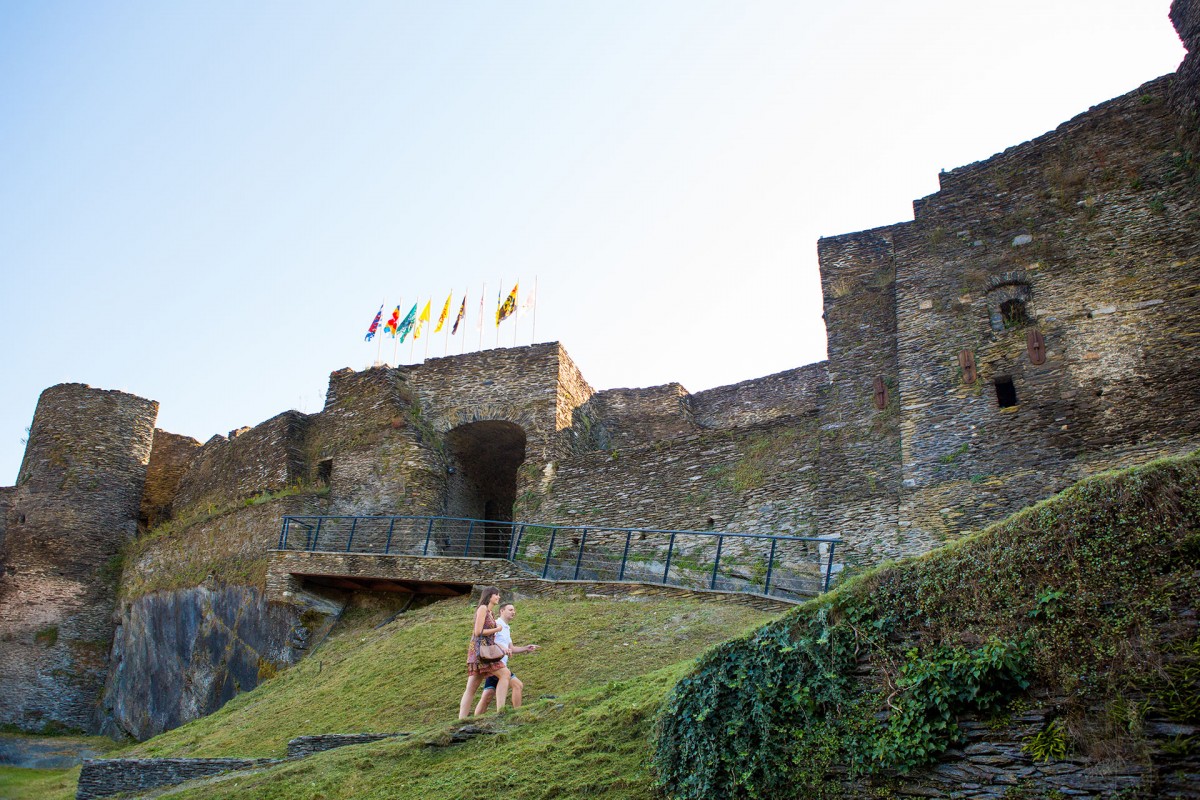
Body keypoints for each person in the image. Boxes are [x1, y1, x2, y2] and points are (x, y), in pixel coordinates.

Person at [473, 602, 539, 716]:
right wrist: (503, 648)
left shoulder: (507, 628)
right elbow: (490, 642)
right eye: (510, 609)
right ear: (502, 611)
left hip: (501, 664)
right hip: (494, 663)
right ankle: (514, 714)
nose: (513, 612)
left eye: (514, 610)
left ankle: (515, 714)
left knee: (489, 694)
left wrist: (526, 648)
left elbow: (511, 648)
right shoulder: (496, 624)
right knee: (513, 686)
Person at [458, 586, 511, 720]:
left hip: (487, 650)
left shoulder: (490, 613)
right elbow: (478, 632)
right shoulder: (482, 609)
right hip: (480, 651)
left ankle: (461, 719)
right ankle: (501, 711)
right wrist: (497, 629)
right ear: (490, 596)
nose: (498, 597)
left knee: (472, 686)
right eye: (496, 595)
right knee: (504, 673)